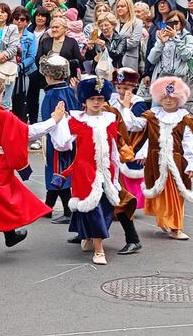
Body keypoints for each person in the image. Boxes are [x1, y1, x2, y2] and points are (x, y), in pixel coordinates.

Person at [0, 73, 65, 263]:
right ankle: (10, 235)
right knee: (7, 201)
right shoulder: (4, 116)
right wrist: (54, 120)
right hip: (1, 165)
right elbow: (28, 132)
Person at [50, 76, 135, 265]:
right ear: (84, 101)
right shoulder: (75, 120)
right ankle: (99, 249)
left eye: (100, 99)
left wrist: (116, 174)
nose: (96, 102)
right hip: (85, 172)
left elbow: (115, 146)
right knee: (93, 208)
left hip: (107, 171)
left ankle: (89, 237)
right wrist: (56, 122)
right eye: (92, 99)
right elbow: (62, 144)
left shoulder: (110, 118)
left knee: (104, 209)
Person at [121, 76, 193, 240]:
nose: (168, 101)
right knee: (160, 192)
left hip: (176, 162)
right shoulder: (152, 116)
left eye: (172, 97)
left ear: (179, 99)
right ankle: (165, 221)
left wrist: (191, 165)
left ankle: (176, 227)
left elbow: (189, 143)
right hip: (155, 161)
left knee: (175, 194)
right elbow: (134, 125)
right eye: (165, 97)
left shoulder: (185, 118)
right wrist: (126, 108)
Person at [39, 56, 81, 224]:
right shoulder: (71, 91)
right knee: (61, 169)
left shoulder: (51, 95)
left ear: (49, 75)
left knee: (57, 170)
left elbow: (50, 119)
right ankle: (48, 207)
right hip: (72, 135)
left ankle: (67, 210)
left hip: (56, 137)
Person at [110, 68, 148, 210]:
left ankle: (127, 205)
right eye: (118, 87)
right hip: (113, 140)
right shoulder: (112, 99)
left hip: (130, 143)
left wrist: (126, 108)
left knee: (127, 177)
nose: (120, 91)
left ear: (134, 87)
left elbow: (135, 126)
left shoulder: (138, 103)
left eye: (125, 88)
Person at [147, 10, 193, 109]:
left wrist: (175, 37)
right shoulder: (161, 35)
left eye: (176, 22)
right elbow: (151, 59)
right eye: (170, 22)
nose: (173, 25)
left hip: (180, 79)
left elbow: (187, 56)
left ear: (182, 24)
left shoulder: (187, 38)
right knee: (157, 111)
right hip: (162, 78)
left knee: (180, 112)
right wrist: (161, 43)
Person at [11, 6, 37, 122]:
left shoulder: (31, 37)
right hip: (9, 71)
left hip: (25, 72)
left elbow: (32, 57)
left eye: (22, 20)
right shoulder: (8, 34)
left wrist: (20, 66)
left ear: (26, 22)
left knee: (22, 101)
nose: (18, 22)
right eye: (16, 19)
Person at [113, 0, 143, 72]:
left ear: (129, 7)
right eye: (118, 6)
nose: (119, 8)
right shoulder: (113, 22)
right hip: (113, 60)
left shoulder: (137, 22)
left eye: (122, 6)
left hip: (129, 59)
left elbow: (134, 42)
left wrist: (115, 44)